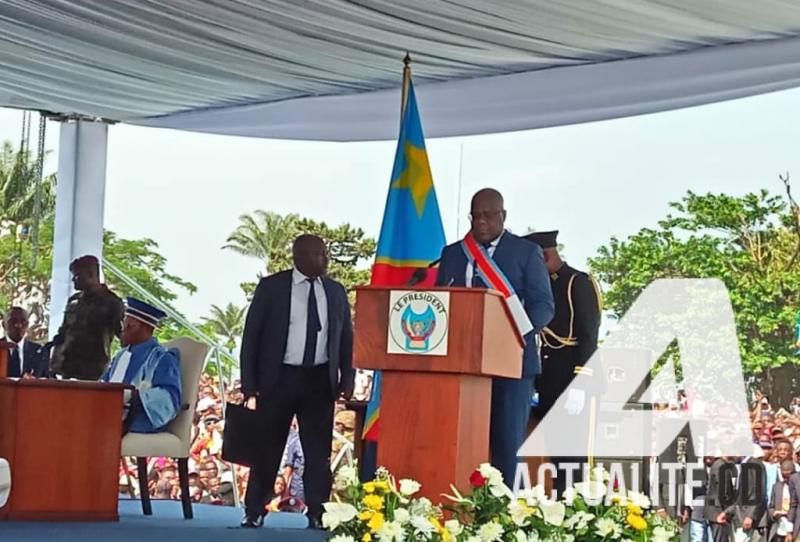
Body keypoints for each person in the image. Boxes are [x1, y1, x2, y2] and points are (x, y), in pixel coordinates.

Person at [435, 188, 554, 484]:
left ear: (503, 216)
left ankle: (502, 517)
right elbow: (441, 303)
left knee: (506, 445)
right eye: (475, 216)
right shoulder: (453, 254)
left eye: (488, 215)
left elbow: (544, 305)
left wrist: (515, 334)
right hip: (462, 363)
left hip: (512, 365)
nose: (481, 222)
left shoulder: (526, 252)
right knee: (459, 441)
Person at [239, 234, 355, 528]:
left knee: (317, 452)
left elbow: (346, 340)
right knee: (268, 448)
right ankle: (255, 510)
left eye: (325, 253)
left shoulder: (335, 291)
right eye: (318, 254)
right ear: (299, 257)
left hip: (319, 379)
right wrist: (249, 386)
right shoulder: (272, 288)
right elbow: (251, 337)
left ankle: (317, 513)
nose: (325, 260)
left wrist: (347, 378)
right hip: (278, 378)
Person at [525, 230, 602, 494]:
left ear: (545, 256)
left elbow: (589, 334)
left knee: (572, 455)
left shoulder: (577, 282)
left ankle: (574, 508)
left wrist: (580, 382)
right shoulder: (540, 287)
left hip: (573, 374)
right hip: (548, 376)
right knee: (554, 452)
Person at [100, 297, 182, 434]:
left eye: (129, 327)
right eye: (123, 326)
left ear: (145, 329)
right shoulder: (120, 356)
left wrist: (133, 395)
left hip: (139, 419)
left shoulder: (161, 358)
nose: (122, 331)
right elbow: (105, 383)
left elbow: (170, 398)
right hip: (111, 413)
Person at [52, 255, 125, 380]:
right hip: (67, 367)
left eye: (77, 276)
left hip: (93, 370)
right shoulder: (74, 300)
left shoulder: (111, 302)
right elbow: (63, 332)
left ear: (91, 274)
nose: (74, 280)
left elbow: (123, 335)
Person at [1, 306, 49, 378]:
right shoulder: (1, 346)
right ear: (4, 325)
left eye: (23, 322)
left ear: (28, 325)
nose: (19, 325)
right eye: (12, 321)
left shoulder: (39, 351)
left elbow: (47, 378)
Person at [768, 459, 799, 542]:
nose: (786, 479)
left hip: (795, 530)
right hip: (779, 529)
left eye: (788, 476)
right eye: (783, 476)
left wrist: (786, 513)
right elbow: (771, 507)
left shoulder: (797, 487)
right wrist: (774, 513)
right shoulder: (777, 487)